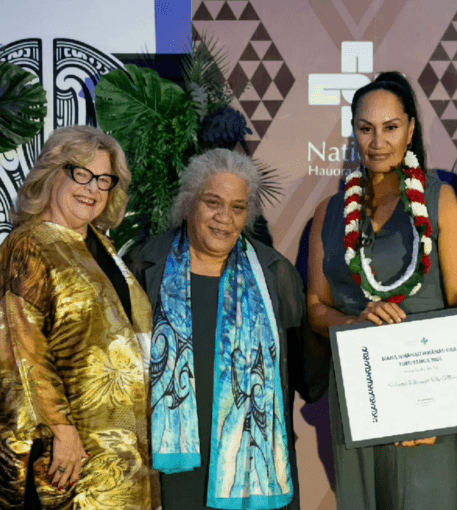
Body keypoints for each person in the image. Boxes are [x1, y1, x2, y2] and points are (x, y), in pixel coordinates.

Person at [124, 148, 328, 510]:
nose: (225, 218)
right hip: (168, 470)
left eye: (237, 207)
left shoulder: (274, 274)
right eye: (212, 202)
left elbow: (309, 375)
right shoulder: (143, 266)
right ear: (189, 204)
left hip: (252, 472)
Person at [307, 71, 457, 509]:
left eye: (390, 127)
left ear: (411, 129)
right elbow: (316, 308)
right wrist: (353, 322)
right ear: (354, 133)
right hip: (356, 388)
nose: (377, 141)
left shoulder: (441, 199)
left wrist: (442, 406)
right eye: (365, 128)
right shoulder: (330, 211)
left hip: (425, 387)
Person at [0, 125, 155, 508]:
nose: (92, 189)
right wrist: (61, 431)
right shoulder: (29, 245)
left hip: (119, 454)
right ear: (53, 172)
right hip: (67, 458)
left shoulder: (100, 244)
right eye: (81, 174)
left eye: (104, 180)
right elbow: (19, 350)